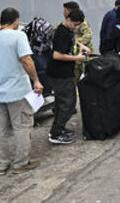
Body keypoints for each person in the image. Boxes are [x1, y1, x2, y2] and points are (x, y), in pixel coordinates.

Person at [0, 8, 43, 174]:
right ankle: (20, 163)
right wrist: (36, 80)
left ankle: (1, 165)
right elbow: (26, 59)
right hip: (17, 90)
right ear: (16, 21)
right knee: (22, 127)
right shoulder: (19, 36)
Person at [47, 9, 90, 145]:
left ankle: (58, 128)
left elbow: (71, 44)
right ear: (69, 19)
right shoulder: (61, 32)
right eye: (75, 24)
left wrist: (81, 46)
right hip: (59, 74)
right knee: (68, 103)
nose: (76, 27)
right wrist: (76, 58)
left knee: (62, 103)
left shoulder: (69, 31)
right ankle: (56, 133)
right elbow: (57, 55)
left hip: (66, 72)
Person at [63, 1, 94, 82]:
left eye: (65, 10)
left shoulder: (82, 22)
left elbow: (88, 35)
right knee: (73, 79)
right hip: (75, 56)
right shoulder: (67, 22)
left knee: (89, 78)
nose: (63, 12)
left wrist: (74, 42)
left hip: (84, 55)